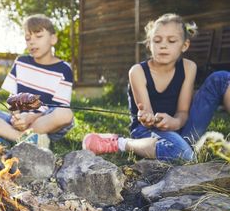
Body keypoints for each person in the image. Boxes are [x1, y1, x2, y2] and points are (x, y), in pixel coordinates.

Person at [83, 13, 230, 162]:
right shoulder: (137, 72)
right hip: (148, 131)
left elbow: (183, 112)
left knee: (222, 78)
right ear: (149, 44)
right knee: (183, 154)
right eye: (157, 40)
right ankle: (120, 143)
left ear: (184, 45)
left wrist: (175, 122)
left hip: (181, 127)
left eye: (171, 41)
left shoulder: (189, 67)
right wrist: (146, 117)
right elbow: (145, 112)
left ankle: (180, 144)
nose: (163, 45)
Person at [0, 14, 74, 147]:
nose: (32, 42)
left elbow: (58, 107)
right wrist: (16, 117)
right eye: (28, 38)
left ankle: (7, 136)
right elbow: (13, 100)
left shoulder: (64, 69)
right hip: (17, 122)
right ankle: (21, 138)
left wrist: (30, 118)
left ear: (53, 39)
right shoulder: (21, 62)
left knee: (65, 114)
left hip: (42, 124)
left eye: (38, 36)